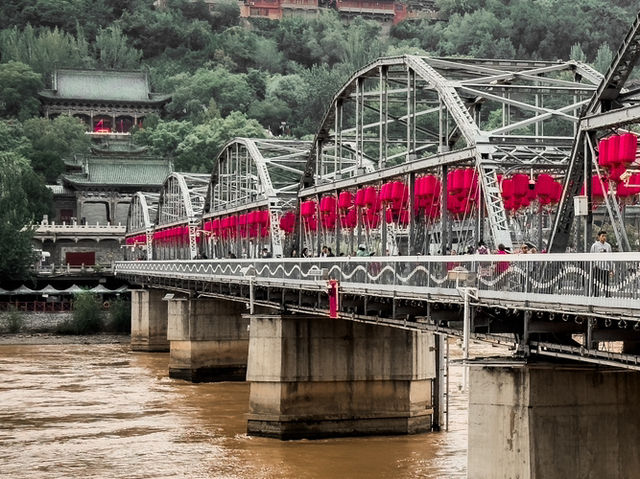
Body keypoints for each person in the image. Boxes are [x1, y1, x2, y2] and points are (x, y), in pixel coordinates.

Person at [590, 230, 612, 296]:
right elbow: (591, 256)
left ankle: (608, 296)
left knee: (606, 283)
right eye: (603, 236)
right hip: (597, 267)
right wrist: (593, 266)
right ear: (599, 237)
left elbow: (610, 257)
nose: (604, 237)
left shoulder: (608, 246)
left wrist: (611, 268)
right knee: (596, 283)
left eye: (605, 236)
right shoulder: (595, 246)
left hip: (605, 268)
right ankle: (596, 296)